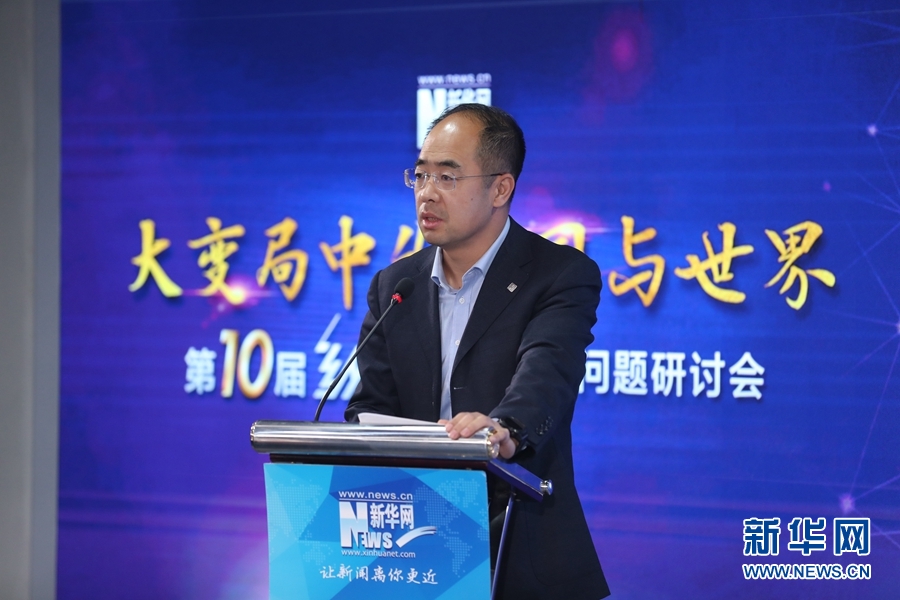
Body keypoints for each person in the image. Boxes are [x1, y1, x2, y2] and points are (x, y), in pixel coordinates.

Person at [345, 103, 610, 599]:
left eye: (447, 177)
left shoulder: (559, 274)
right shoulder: (394, 285)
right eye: (421, 175)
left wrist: (504, 427)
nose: (427, 192)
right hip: (413, 551)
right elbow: (371, 404)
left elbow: (547, 370)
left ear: (500, 189)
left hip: (519, 549)